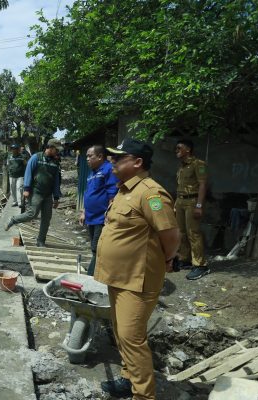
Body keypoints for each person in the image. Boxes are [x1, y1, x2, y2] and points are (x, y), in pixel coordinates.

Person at [95, 138, 180, 399]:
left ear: (137, 162)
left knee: (132, 339)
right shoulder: (124, 190)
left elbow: (171, 234)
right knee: (121, 334)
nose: (112, 162)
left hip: (137, 280)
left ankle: (143, 395)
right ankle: (127, 378)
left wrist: (166, 260)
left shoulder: (151, 193)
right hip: (118, 276)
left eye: (119, 158)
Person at [4, 138, 63, 248]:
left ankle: (41, 241)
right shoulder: (36, 157)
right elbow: (28, 172)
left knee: (46, 218)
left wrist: (56, 197)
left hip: (48, 194)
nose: (57, 152)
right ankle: (13, 220)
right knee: (32, 214)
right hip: (36, 192)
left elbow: (56, 181)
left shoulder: (55, 162)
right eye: (56, 149)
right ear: (50, 148)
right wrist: (26, 189)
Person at [78, 145, 118, 276]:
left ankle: (91, 277)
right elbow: (88, 192)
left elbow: (113, 194)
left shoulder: (108, 170)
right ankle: (100, 274)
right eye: (87, 157)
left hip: (102, 218)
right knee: (95, 248)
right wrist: (84, 211)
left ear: (100, 156)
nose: (87, 159)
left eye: (90, 156)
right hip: (91, 217)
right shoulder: (92, 173)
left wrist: (109, 215)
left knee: (98, 248)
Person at [174, 139, 209, 280]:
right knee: (181, 232)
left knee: (193, 233)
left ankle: (201, 265)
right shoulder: (182, 167)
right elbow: (180, 187)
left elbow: (202, 185)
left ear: (188, 149)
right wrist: (176, 204)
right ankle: (185, 259)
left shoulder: (199, 164)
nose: (176, 150)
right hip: (181, 201)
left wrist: (199, 206)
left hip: (192, 201)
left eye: (179, 148)